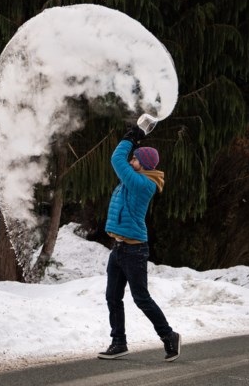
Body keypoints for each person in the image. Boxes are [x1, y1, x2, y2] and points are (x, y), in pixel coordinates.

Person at [97, 125, 181, 362]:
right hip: (119, 248)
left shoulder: (143, 184)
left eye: (134, 158)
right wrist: (132, 141)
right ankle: (118, 342)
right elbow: (120, 163)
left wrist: (131, 138)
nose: (130, 161)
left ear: (142, 164)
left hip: (134, 250)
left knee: (141, 298)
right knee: (112, 297)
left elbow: (116, 158)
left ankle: (169, 336)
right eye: (132, 158)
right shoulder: (132, 181)